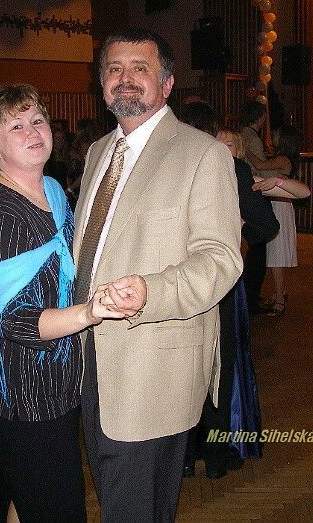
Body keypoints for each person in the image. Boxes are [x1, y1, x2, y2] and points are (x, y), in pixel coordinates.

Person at [74, 28, 243, 521]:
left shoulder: (203, 154)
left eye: (140, 68)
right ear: (102, 83)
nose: (125, 79)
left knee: (136, 507)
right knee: (119, 497)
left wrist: (152, 291)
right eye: (114, 69)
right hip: (90, 355)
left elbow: (220, 259)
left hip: (153, 364)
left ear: (167, 83)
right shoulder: (97, 152)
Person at [0, 83, 124, 522]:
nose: (33, 131)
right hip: (23, 391)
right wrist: (89, 312)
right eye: (15, 126)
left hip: (56, 379)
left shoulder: (50, 191)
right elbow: (16, 321)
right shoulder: (0, 216)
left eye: (37, 120)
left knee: (29, 497)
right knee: (57, 507)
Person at [178, 108, 278, 479]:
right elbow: (266, 225)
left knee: (183, 366)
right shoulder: (230, 168)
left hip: (175, 283)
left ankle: (185, 456)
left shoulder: (166, 166)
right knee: (220, 367)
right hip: (218, 281)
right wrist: (239, 236)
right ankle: (217, 456)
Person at [245, 124, 307, 316]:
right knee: (275, 255)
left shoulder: (283, 159)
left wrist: (246, 149)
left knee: (276, 256)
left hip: (279, 205)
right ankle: (280, 293)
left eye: (277, 134)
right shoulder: (285, 158)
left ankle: (280, 300)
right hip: (280, 204)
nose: (274, 136)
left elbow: (260, 166)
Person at [240, 101, 278, 315]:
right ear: (261, 117)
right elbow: (260, 167)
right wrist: (279, 177)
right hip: (254, 190)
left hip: (248, 190)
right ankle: (251, 299)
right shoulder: (251, 137)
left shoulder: (244, 133)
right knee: (257, 251)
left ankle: (250, 298)